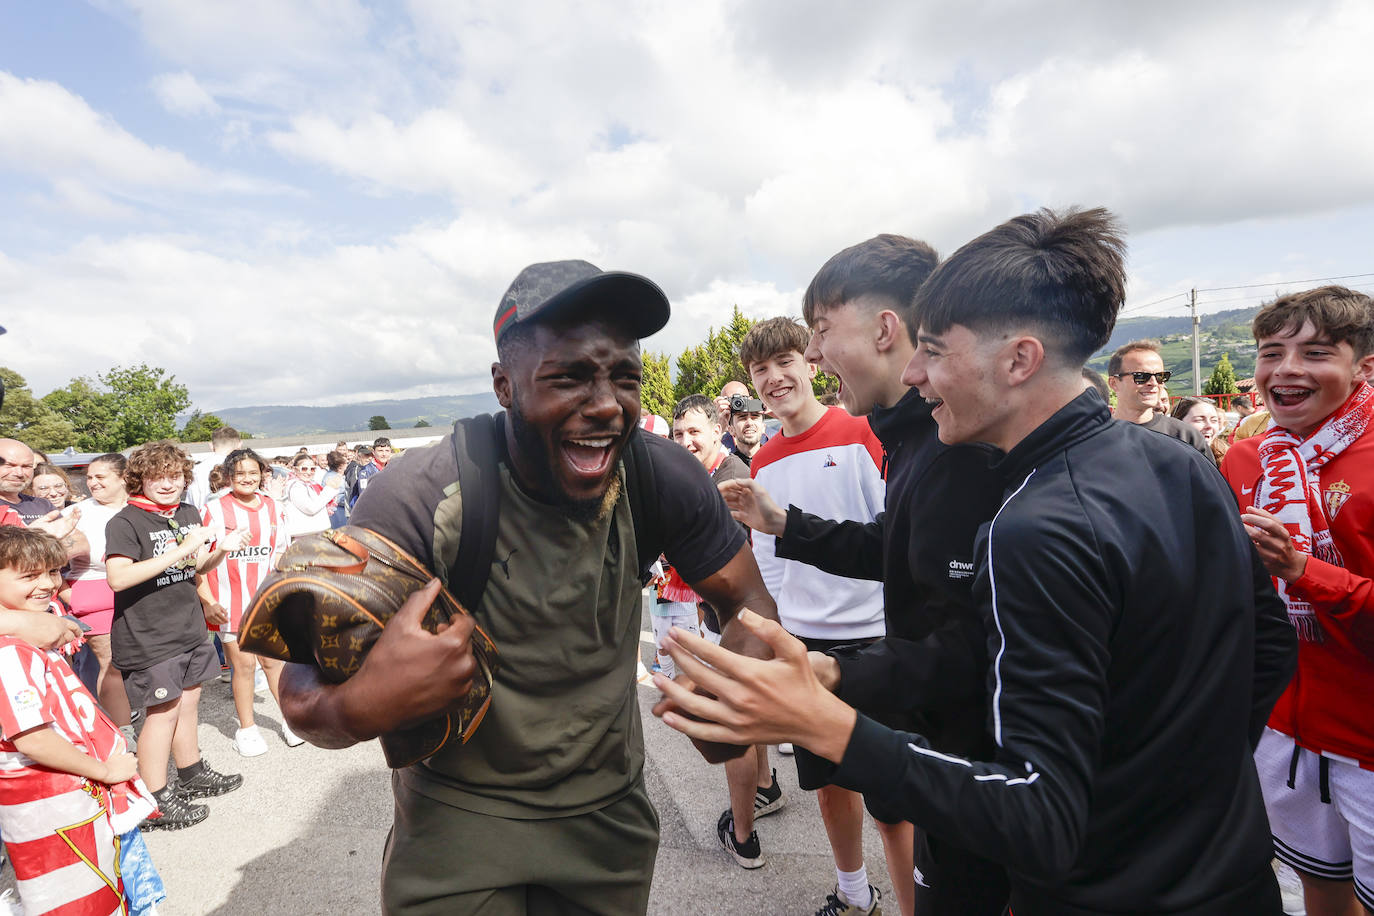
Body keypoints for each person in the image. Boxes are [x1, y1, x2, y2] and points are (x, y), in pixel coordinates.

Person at [658, 207, 1298, 915]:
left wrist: (823, 719)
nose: (918, 372)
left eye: (933, 350)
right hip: (1232, 874)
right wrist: (1183, 793)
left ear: (1018, 359)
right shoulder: (1179, 463)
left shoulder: (1036, 521)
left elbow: (1041, 814)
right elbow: (1267, 649)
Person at [278, 259, 781, 915]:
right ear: (504, 385)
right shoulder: (422, 495)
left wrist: (735, 688)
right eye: (568, 377)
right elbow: (298, 687)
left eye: (624, 378)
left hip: (606, 819)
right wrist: (358, 705)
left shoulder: (664, 478)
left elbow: (747, 604)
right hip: (456, 822)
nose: (605, 404)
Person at [720, 232, 1011, 915]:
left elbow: (971, 643)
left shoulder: (937, 438)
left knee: (901, 808)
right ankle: (857, 892)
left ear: (886, 329)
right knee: (840, 789)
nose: (812, 358)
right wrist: (786, 530)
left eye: (817, 335)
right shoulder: (909, 430)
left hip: (935, 716)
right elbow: (894, 544)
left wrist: (843, 673)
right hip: (855, 665)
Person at [730, 315, 909, 916]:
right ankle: (854, 892)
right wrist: (780, 630)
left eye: (785, 362)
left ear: (811, 364)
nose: (775, 378)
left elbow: (893, 538)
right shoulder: (763, 461)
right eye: (761, 370)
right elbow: (769, 558)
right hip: (808, 645)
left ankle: (913, 906)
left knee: (893, 798)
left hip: (879, 641)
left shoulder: (862, 433)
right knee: (831, 788)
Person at [1219, 286, 1374, 916]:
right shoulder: (1247, 457)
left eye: (1315, 353)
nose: (1285, 369)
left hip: (1368, 739)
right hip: (1283, 727)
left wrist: (1303, 570)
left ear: (1364, 366)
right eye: (1271, 352)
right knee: (1320, 888)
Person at [0, 526, 163, 916]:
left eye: (53, 572)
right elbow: (33, 739)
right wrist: (104, 770)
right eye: (28, 575)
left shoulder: (35, 631)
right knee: (77, 900)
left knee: (106, 885)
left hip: (76, 795)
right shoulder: (11, 652)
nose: (47, 584)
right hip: (51, 802)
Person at [667, 394, 783, 873]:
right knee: (745, 718)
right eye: (678, 434)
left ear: (720, 430)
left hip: (743, 624)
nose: (685, 441)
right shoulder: (703, 476)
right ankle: (767, 788)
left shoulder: (729, 479)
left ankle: (743, 837)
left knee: (728, 726)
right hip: (725, 620)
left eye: (695, 431)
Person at [106, 440, 247, 830]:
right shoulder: (126, 521)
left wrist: (222, 550)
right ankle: (155, 798)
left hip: (188, 626)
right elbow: (118, 578)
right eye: (158, 476)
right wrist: (181, 548)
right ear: (140, 479)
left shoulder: (185, 511)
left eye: (175, 476)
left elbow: (193, 563)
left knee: (188, 704)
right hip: (149, 634)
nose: (168, 484)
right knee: (161, 714)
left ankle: (192, 772)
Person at [199, 448, 301, 757]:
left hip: (265, 600)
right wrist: (207, 601)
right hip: (229, 601)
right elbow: (198, 560)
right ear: (229, 476)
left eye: (253, 472)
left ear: (263, 474)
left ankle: (290, 721)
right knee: (243, 666)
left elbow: (281, 551)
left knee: (273, 662)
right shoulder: (215, 509)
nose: (247, 478)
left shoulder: (273, 507)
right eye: (240, 473)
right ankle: (247, 729)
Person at [65, 453, 136, 733]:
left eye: (100, 477)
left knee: (140, 661)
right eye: (89, 478)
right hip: (95, 594)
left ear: (123, 478)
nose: (92, 483)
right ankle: (123, 732)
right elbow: (50, 561)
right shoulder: (78, 514)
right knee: (112, 666)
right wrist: (71, 596)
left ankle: (140, 711)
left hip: (140, 592)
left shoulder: (140, 508)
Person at [1106, 341, 1215, 463]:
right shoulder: (1095, 437)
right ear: (1114, 383)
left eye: (1160, 376)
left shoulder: (1186, 437)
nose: (1153, 383)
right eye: (1141, 376)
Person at [282, 453, 341, 542]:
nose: (308, 472)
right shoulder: (295, 486)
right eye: (304, 469)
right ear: (295, 469)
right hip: (303, 538)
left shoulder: (311, 485)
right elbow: (311, 508)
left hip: (315, 535)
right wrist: (329, 490)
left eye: (312, 469)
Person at [185, 426, 243, 512]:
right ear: (240, 444)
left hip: (202, 519)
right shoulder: (241, 468)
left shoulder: (196, 470)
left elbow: (190, 503)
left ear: (211, 445)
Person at [1171, 395, 1228, 464]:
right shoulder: (1165, 458)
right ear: (1177, 422)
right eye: (1199, 420)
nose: (1209, 426)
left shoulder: (1227, 456)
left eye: (1214, 420)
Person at [348, 437, 392, 508]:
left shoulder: (393, 468)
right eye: (380, 451)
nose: (384, 454)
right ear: (374, 452)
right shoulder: (366, 472)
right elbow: (364, 496)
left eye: (387, 450)